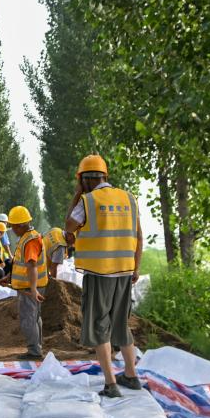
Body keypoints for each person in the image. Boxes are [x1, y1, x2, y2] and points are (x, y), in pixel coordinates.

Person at [64, 154, 143, 399]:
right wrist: (136, 268)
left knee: (100, 327)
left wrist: (77, 195)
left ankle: (110, 384)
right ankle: (131, 375)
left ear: (84, 180)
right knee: (121, 324)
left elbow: (68, 226)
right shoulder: (128, 198)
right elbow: (139, 236)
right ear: (105, 176)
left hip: (100, 273)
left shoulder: (88, 200)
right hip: (125, 271)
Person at [4, 206, 47, 360]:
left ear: (21, 225)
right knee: (34, 318)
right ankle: (36, 348)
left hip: (30, 288)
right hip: (32, 286)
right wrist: (8, 276)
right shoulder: (28, 238)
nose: (12, 229)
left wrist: (33, 289)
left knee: (28, 318)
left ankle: (34, 351)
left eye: (13, 226)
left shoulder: (30, 240)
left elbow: (32, 265)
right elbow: (21, 265)